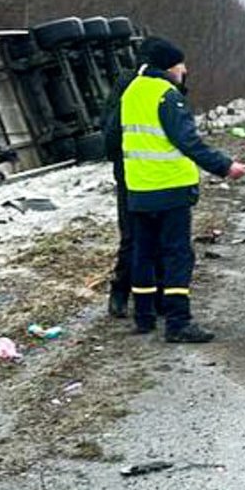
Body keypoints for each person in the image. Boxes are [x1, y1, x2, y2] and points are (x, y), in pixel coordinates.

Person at [119, 36, 245, 343]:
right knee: (177, 255)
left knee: (144, 254)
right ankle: (178, 323)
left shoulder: (131, 91)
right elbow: (188, 141)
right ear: (169, 66)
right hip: (170, 189)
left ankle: (144, 317)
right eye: (181, 64)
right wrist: (225, 166)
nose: (185, 70)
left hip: (138, 189)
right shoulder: (167, 95)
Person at [101, 65, 142, 319]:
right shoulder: (128, 86)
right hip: (132, 173)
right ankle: (121, 291)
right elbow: (111, 133)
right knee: (133, 238)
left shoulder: (168, 87)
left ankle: (145, 295)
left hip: (149, 174)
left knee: (140, 237)